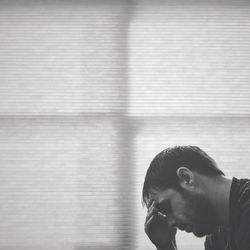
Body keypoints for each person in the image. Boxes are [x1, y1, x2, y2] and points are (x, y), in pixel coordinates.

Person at [142, 145, 250, 250]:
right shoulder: (218, 235)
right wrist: (166, 246)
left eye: (167, 207)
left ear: (187, 178)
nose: (170, 223)